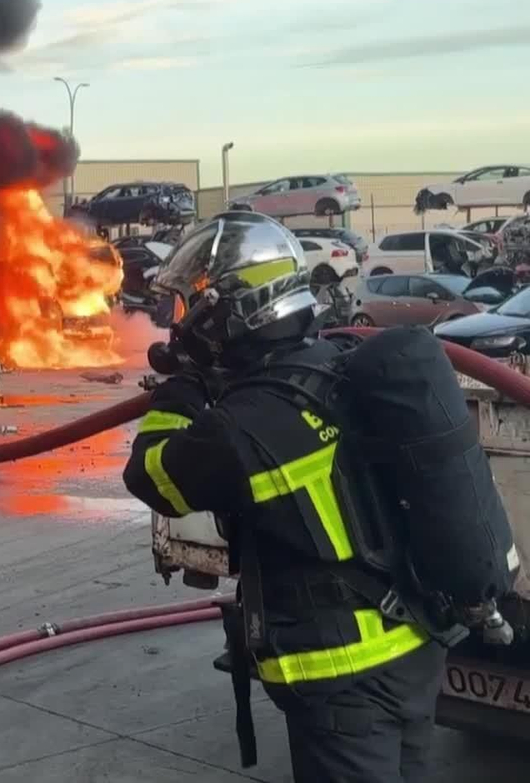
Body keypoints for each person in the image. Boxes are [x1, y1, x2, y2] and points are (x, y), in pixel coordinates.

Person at [122, 212, 449, 782]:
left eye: (193, 304)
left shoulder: (253, 423)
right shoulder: (330, 369)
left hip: (347, 673)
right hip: (411, 646)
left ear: (227, 311)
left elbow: (153, 476)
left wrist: (183, 387)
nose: (183, 321)